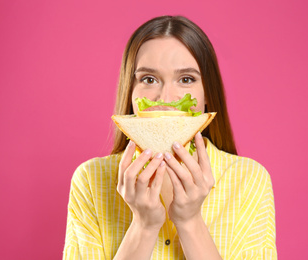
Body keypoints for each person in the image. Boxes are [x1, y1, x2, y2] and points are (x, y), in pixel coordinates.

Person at [63, 15, 277, 260]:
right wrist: (144, 226)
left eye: (186, 79)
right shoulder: (90, 179)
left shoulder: (248, 179)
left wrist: (190, 220)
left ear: (207, 92)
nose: (165, 98)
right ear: (130, 91)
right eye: (149, 79)